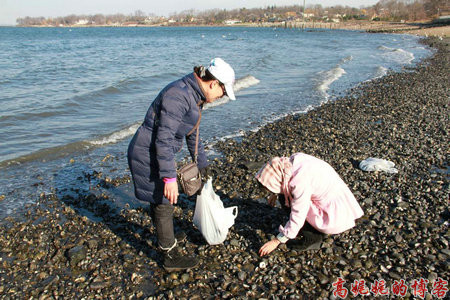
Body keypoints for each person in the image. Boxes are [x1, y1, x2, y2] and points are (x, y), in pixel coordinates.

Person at [127, 58, 236, 271]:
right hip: (147, 153)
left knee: (159, 198)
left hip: (156, 151)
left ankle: (164, 233)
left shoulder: (194, 96)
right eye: (222, 93)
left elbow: (192, 132)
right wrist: (169, 177)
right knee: (163, 200)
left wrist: (202, 165)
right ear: (213, 83)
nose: (221, 97)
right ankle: (169, 254)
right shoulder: (179, 95)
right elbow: (164, 138)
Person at [255, 153, 364, 257]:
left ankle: (312, 238)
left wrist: (277, 240)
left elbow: (298, 214)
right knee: (284, 196)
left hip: (333, 214)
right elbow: (282, 180)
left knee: (286, 200)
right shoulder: (294, 161)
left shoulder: (299, 183)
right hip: (338, 197)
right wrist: (275, 193)